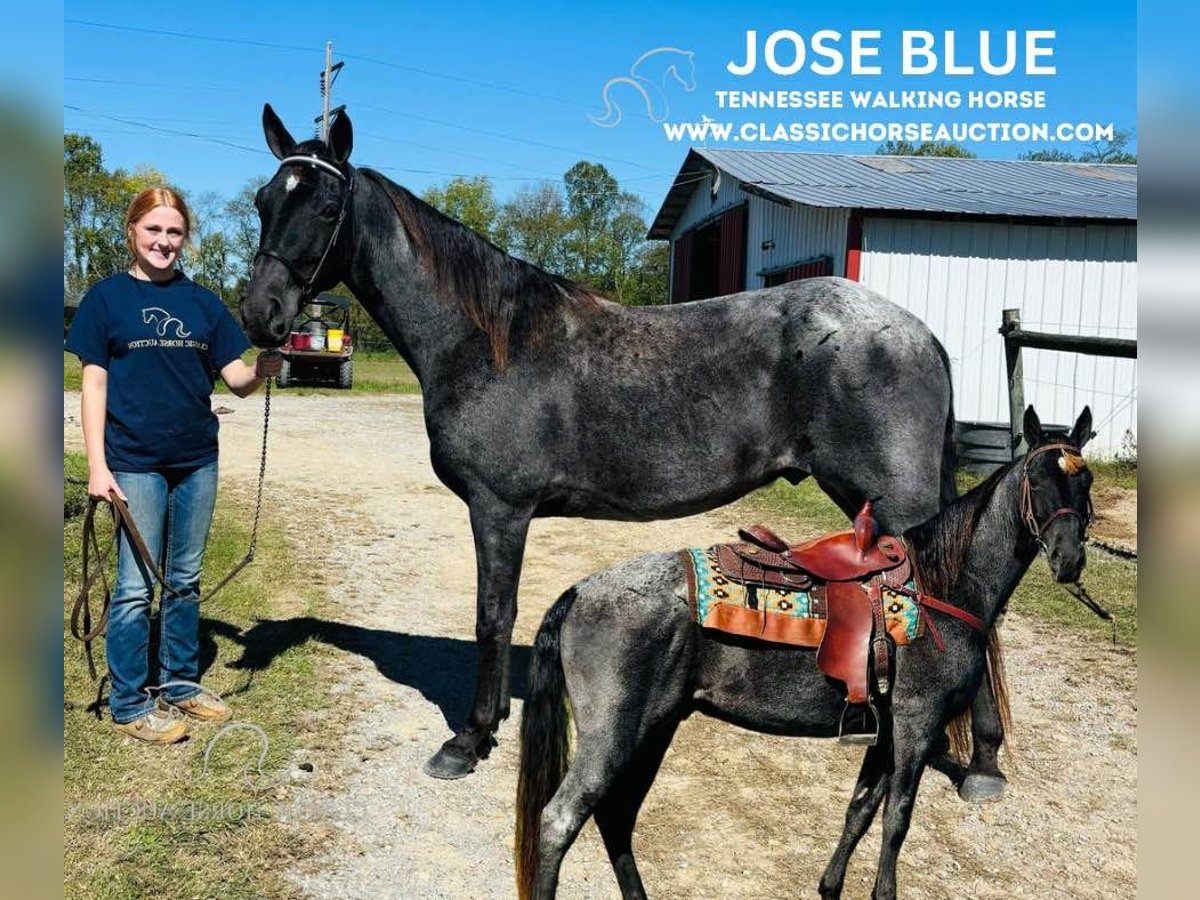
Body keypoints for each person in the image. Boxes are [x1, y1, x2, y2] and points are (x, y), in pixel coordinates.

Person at [65, 187, 281, 744]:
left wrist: (263, 368)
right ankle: (130, 700)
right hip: (134, 462)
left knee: (184, 580)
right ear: (132, 231)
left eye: (174, 232)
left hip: (196, 461)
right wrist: (97, 464)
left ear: (186, 238)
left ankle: (179, 683)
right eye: (154, 230)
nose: (164, 242)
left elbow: (234, 378)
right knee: (136, 587)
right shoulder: (105, 299)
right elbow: (93, 383)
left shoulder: (203, 303)